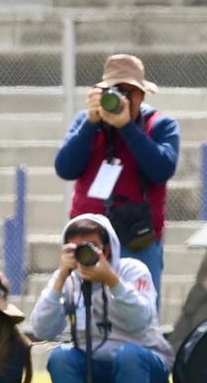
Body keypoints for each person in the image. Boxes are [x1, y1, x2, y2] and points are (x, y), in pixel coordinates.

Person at [54, 54, 179, 308]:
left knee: (141, 315)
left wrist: (128, 128)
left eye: (128, 92)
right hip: (89, 239)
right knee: (85, 313)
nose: (120, 99)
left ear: (141, 96)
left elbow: (161, 170)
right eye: (115, 91)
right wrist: (90, 125)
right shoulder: (86, 122)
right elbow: (65, 168)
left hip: (138, 238)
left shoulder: (160, 125)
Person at [30, 214, 173, 383]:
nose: (84, 253)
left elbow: (141, 321)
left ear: (107, 248)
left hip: (144, 371)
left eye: (90, 246)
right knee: (60, 356)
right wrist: (61, 276)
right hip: (93, 372)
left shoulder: (132, 270)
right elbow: (42, 329)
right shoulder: (67, 278)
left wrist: (112, 281)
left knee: (129, 355)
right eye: (75, 249)